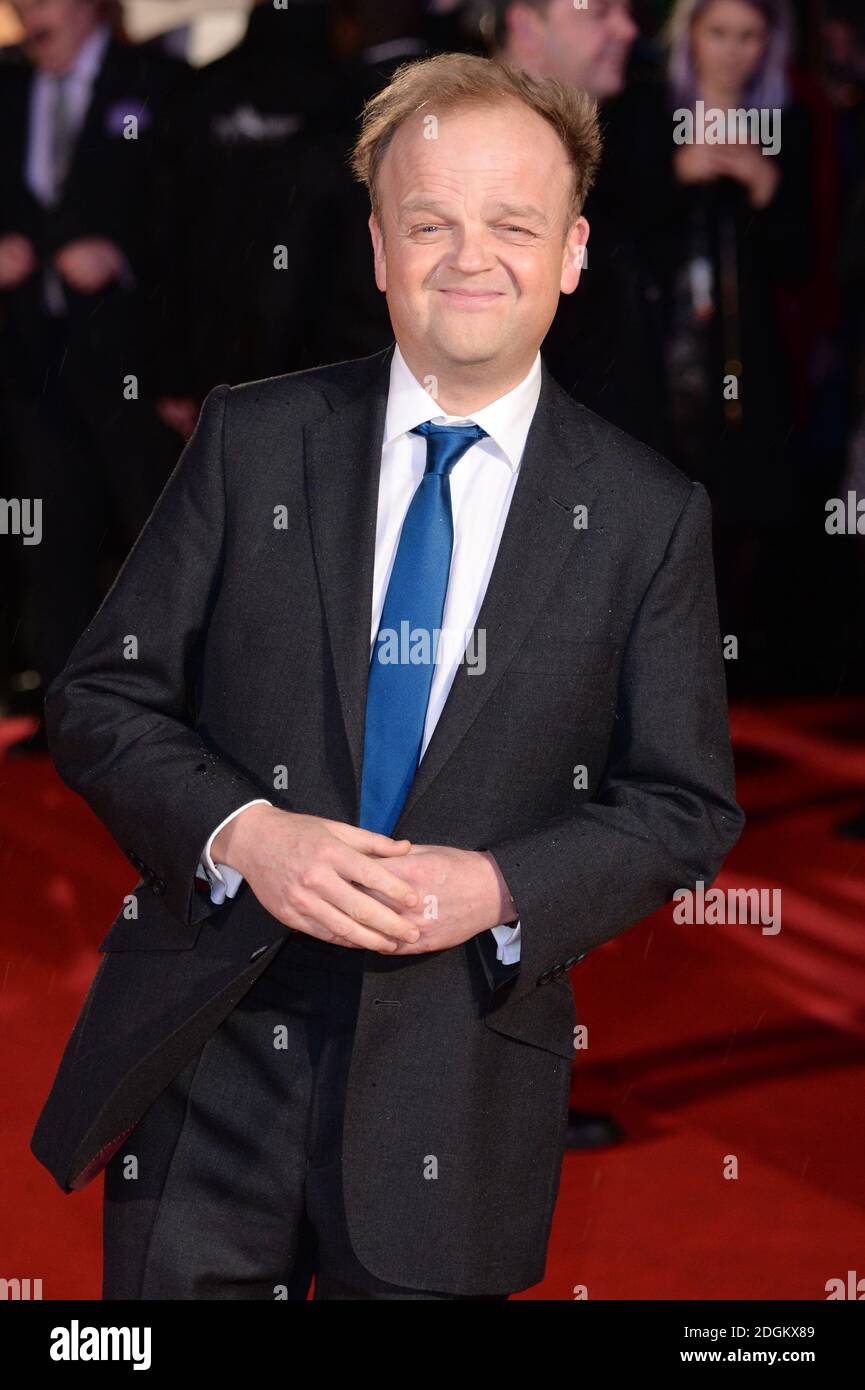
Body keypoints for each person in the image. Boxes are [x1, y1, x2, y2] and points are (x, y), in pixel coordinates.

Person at [31, 52, 744, 1300]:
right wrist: (245, 835)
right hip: (213, 1063)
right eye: (430, 222)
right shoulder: (253, 439)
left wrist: (501, 884)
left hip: (457, 1089)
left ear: (572, 251)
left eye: (512, 224)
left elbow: (683, 804)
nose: (470, 257)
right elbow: (102, 695)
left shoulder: (645, 515)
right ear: (377, 248)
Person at [0, 0, 187, 750]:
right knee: (46, 539)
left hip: (132, 364)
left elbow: (198, 221)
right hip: (29, 363)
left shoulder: (160, 83)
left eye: (41, 0)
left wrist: (122, 258)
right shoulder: (7, 88)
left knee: (157, 532)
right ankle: (68, 716)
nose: (25, 14)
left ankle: (172, 714)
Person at [664, 0, 813, 687]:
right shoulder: (644, 111)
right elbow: (608, 239)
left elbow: (805, 262)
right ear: (689, 34)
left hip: (753, 368)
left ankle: (737, 682)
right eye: (717, 33)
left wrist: (766, 186)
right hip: (660, 364)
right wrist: (675, 172)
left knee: (749, 518)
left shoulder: (786, 125)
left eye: (748, 36)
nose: (731, 51)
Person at [492, 0, 675, 451]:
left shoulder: (629, 138)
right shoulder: (465, 159)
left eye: (628, 11)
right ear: (527, 24)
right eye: (599, 13)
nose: (627, 29)